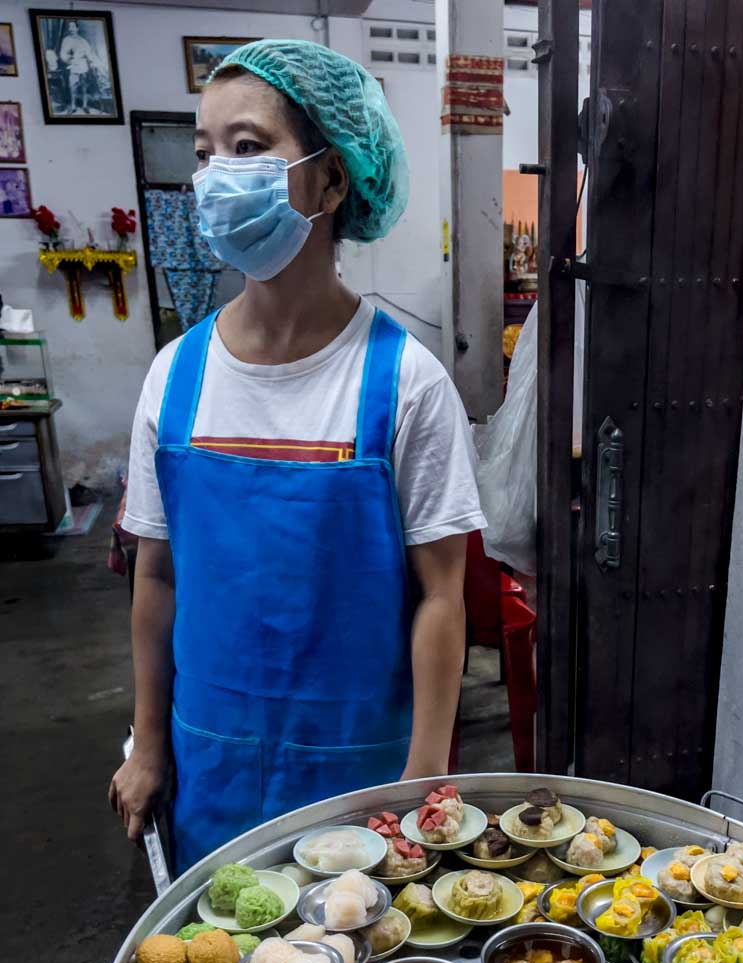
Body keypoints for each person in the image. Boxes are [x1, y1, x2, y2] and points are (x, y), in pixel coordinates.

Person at [110, 40, 484, 874]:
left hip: (361, 776)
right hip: (212, 770)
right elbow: (158, 578)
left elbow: (442, 595)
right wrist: (149, 743)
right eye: (204, 153)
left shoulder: (403, 384)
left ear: (333, 177)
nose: (216, 177)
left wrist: (424, 775)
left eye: (248, 148)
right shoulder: (175, 378)